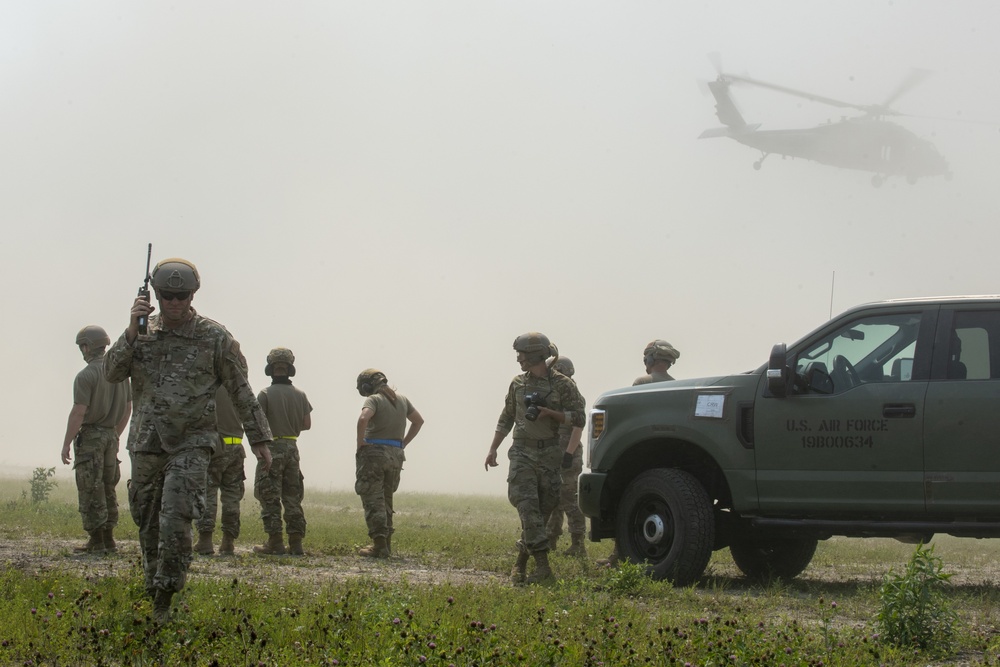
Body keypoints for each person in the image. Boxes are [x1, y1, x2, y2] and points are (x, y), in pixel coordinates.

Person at [104, 257, 273, 624]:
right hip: (147, 441)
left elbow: (240, 388)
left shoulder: (214, 337)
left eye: (182, 296)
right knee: (147, 520)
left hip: (192, 443)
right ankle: (153, 586)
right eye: (167, 296)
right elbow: (112, 372)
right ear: (156, 295)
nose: (175, 303)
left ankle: (166, 595)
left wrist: (259, 438)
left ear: (193, 295)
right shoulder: (141, 333)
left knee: (176, 519)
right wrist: (131, 331)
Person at [485, 333, 585, 585]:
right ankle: (543, 566)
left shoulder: (563, 385)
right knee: (527, 505)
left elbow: (580, 418)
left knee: (541, 512)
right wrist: (493, 448)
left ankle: (520, 563)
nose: (518, 358)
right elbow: (507, 416)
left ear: (536, 355)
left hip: (550, 454)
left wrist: (552, 414)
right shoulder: (517, 383)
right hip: (521, 452)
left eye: (522, 354)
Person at [599, 338, 681, 567]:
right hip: (666, 457)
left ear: (650, 358)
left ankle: (619, 555)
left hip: (640, 456)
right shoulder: (676, 385)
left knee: (625, 502)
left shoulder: (642, 381)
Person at [61, 325, 132, 554]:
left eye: (82, 346)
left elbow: (79, 412)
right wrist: (114, 435)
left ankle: (96, 540)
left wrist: (66, 443)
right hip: (111, 435)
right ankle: (109, 539)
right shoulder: (120, 375)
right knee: (108, 486)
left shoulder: (86, 376)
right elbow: (128, 408)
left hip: (91, 436)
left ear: (87, 346)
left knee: (91, 487)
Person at [354, 369, 424, 558]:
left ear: (367, 386)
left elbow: (363, 419)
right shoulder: (402, 399)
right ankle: (386, 545)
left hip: (374, 455)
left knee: (373, 499)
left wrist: (360, 442)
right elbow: (418, 421)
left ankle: (379, 546)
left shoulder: (374, 400)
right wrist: (404, 443)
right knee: (386, 500)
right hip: (395, 455)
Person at [253, 347, 312, 556]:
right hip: (292, 448)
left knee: (269, 497)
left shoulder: (265, 394)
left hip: (271, 448)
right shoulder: (301, 395)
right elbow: (307, 424)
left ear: (270, 369)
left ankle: (275, 543)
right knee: (292, 497)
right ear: (290, 369)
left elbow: (258, 423)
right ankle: (296, 544)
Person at [194, 383, 248, 556]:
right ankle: (228, 542)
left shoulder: (208, 386)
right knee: (232, 496)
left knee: (208, 494)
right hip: (236, 447)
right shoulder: (240, 388)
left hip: (216, 447)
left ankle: (205, 540)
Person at [545, 355, 588, 558]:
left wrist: (569, 454)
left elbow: (577, 427)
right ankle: (550, 538)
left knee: (569, 498)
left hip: (568, 452)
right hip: (554, 451)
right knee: (553, 498)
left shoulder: (573, 396)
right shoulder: (556, 394)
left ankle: (578, 544)